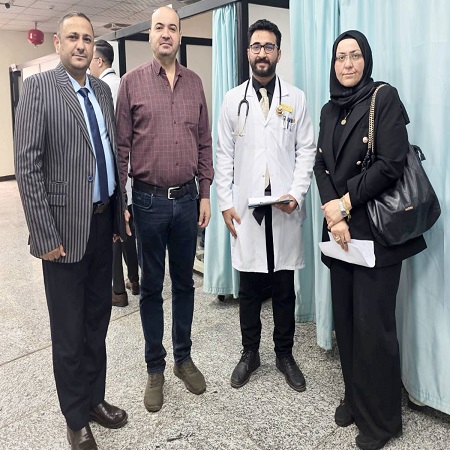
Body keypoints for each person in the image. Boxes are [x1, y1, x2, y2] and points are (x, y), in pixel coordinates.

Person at [14, 12, 128, 450]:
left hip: (102, 225)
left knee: (97, 322)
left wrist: (116, 216)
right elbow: (27, 166)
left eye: (87, 38)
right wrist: (44, 236)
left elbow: (109, 154)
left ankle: (95, 399)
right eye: (73, 37)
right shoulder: (39, 89)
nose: (81, 45)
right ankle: (75, 417)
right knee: (68, 330)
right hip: (62, 234)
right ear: (58, 43)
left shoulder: (102, 91)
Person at [313, 30, 427, 450]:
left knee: (373, 328)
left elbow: (391, 164)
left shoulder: (384, 98)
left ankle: (382, 421)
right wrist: (332, 212)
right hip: (338, 232)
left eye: (355, 55)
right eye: (340, 57)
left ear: (366, 60)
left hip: (374, 232)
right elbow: (320, 164)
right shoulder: (328, 109)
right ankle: (355, 398)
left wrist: (344, 205)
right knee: (345, 322)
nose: (347, 64)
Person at [116, 6, 213, 413]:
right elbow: (121, 148)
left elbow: (204, 143)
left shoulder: (194, 83)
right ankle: (154, 367)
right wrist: (120, 202)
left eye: (173, 28)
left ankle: (183, 358)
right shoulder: (131, 83)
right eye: (159, 27)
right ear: (150, 35)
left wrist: (205, 193)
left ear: (180, 36)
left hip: (188, 200)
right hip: (148, 201)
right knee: (152, 287)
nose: (166, 34)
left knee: (185, 284)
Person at [215, 19, 316, 392]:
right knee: (249, 287)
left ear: (278, 52)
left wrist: (297, 193)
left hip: (284, 205)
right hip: (246, 208)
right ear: (248, 52)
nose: (262, 53)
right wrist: (225, 202)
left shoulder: (296, 98)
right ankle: (250, 353)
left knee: (284, 286)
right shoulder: (232, 100)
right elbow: (223, 155)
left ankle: (285, 355)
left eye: (268, 46)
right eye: (256, 46)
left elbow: (307, 150)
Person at [89, 39, 140, 307]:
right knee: (128, 227)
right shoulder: (124, 84)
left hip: (113, 172)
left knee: (114, 231)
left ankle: (118, 291)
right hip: (130, 170)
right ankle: (135, 279)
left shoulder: (100, 89)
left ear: (99, 60)